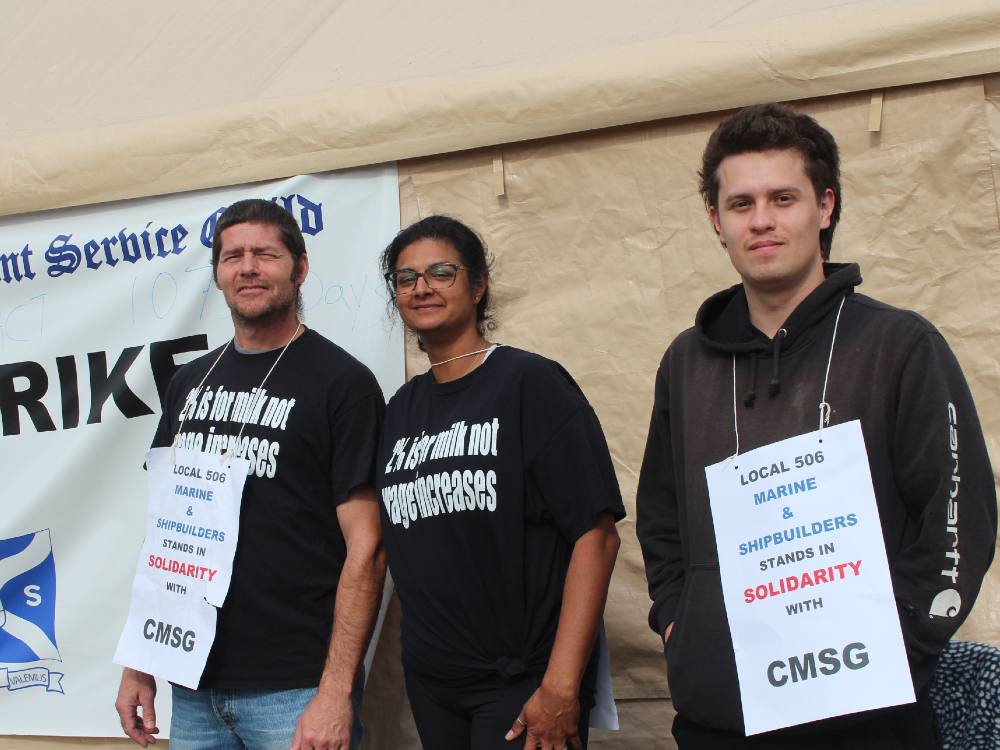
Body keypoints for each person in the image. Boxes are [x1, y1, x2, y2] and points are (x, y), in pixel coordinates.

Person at [636, 103, 997, 748]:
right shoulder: (685, 362)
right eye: (741, 204)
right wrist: (678, 619)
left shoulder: (898, 344)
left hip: (867, 716)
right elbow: (660, 513)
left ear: (824, 207)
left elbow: (955, 511)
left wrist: (899, 644)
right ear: (717, 222)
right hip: (721, 716)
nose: (763, 220)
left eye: (783, 198)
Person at [114, 199, 386, 750]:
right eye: (233, 256)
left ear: (300, 267)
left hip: (296, 687)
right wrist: (140, 662)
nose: (248, 268)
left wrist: (335, 691)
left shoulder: (342, 383)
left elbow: (369, 548)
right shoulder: (189, 383)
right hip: (192, 684)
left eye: (265, 254)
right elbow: (169, 530)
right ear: (217, 273)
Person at [377, 215, 624, 750]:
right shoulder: (400, 409)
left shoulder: (530, 384)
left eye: (442, 271)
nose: (422, 287)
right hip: (434, 686)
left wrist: (560, 687)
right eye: (405, 277)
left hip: (520, 683)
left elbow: (597, 536)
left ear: (479, 283)